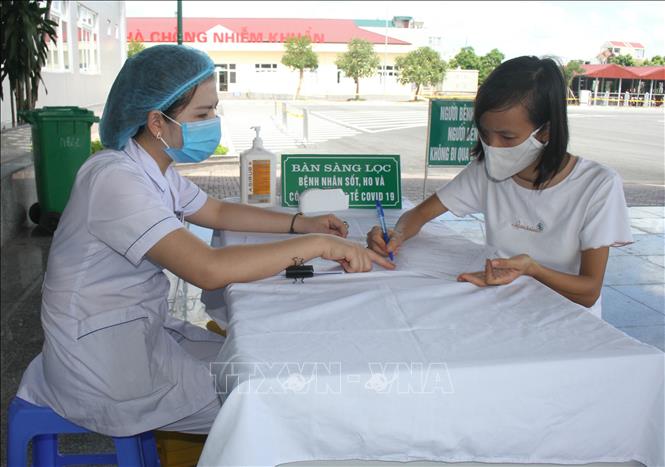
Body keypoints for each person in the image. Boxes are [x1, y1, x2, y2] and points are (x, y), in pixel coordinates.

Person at [17, 44, 394, 437]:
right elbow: (207, 269)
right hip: (100, 367)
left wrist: (301, 223)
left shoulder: (153, 168)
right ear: (157, 122)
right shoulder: (114, 180)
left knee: (264, 362)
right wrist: (319, 246)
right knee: (274, 402)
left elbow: (216, 211)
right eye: (201, 114)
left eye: (214, 110)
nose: (212, 122)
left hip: (135, 332)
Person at [367, 56, 632, 318]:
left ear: (546, 132)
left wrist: (532, 269)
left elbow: (588, 292)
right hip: (503, 305)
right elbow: (420, 213)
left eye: (507, 137)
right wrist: (397, 234)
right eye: (485, 134)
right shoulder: (484, 172)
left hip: (568, 319)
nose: (492, 147)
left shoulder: (597, 185)